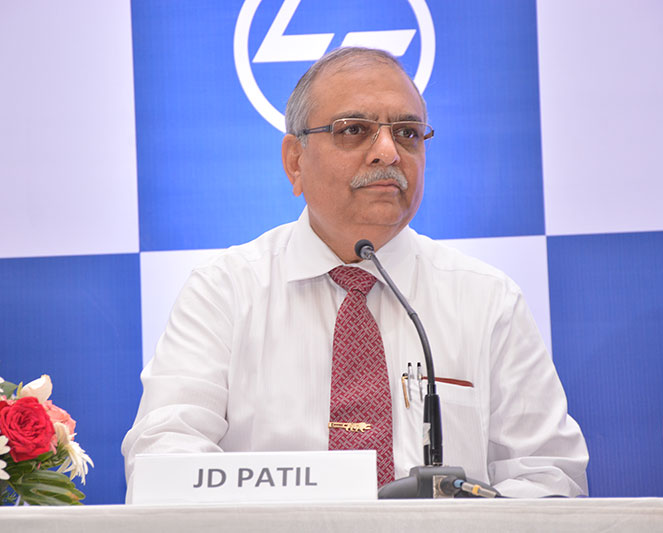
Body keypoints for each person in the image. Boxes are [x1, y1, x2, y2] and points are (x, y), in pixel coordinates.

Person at [122, 47, 588, 499]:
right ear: (295, 161)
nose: (388, 152)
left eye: (407, 133)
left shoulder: (486, 299)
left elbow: (550, 478)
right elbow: (163, 456)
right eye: (354, 130)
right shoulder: (224, 291)